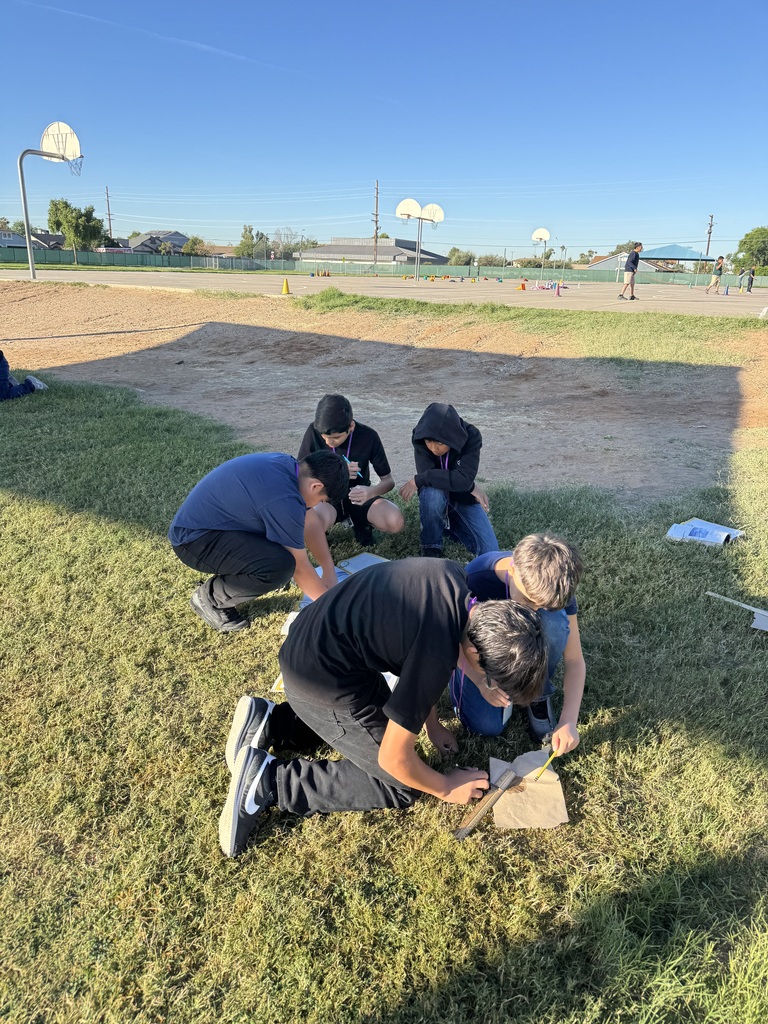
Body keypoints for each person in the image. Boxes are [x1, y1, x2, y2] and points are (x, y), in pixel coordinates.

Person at [218, 557, 548, 857]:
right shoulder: (436, 657)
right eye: (490, 676)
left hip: (317, 644)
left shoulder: (452, 577)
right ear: (475, 654)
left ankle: (274, 722)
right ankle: (270, 781)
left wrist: (431, 725)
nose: (485, 680)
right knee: (399, 783)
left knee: (386, 728)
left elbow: (413, 668)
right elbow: (394, 758)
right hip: (320, 679)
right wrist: (445, 787)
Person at [168, 450, 348, 632]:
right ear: (316, 486)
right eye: (321, 500)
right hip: (192, 541)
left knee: (283, 547)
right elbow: (300, 568)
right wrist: (333, 609)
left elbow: (310, 523)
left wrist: (328, 569)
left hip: (214, 527)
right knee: (280, 566)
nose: (316, 505)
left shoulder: (290, 467)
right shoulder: (284, 498)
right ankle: (211, 598)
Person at [448, 535, 585, 755]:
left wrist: (569, 720)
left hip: (518, 650)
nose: (534, 612)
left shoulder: (554, 584)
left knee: (554, 622)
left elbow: (575, 660)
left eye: (543, 606)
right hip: (474, 656)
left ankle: (537, 692)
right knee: (487, 726)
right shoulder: (475, 580)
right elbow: (449, 641)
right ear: (513, 570)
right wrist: (481, 681)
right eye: (528, 600)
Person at [298, 395, 404, 577]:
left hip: (359, 497)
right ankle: (325, 533)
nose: (329, 443)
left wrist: (371, 492)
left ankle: (361, 524)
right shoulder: (313, 432)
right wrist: (337, 469)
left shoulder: (368, 436)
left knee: (395, 521)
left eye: (336, 438)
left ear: (351, 427)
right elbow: (301, 476)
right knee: (310, 525)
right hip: (327, 499)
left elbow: (388, 481)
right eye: (324, 438)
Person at [399, 402, 498, 558]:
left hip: (462, 495)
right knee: (432, 493)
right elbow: (429, 474)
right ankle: (431, 548)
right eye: (428, 442)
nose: (433, 448)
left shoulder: (471, 436)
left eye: (439, 442)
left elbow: (463, 480)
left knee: (490, 550)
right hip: (436, 493)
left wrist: (418, 480)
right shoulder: (420, 436)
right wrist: (465, 482)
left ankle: (448, 526)